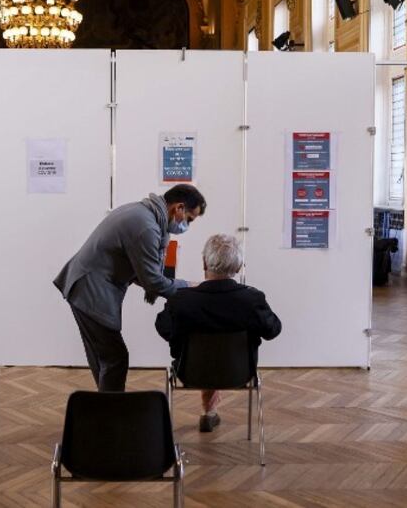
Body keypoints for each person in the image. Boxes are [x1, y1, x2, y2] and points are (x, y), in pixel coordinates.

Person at [53, 184, 206, 392]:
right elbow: (152, 280)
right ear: (178, 208)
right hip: (91, 290)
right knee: (115, 357)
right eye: (189, 219)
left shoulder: (142, 212)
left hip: (83, 285)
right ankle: (114, 416)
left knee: (103, 357)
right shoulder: (147, 227)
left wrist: (162, 282)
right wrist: (189, 286)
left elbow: (142, 273)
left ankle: (107, 411)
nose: (186, 225)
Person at [155, 234, 281, 432]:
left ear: (205, 263)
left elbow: (164, 329)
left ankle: (209, 412)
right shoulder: (252, 300)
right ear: (238, 267)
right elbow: (273, 330)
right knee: (218, 356)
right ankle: (210, 412)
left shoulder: (182, 300)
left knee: (207, 357)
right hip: (239, 373)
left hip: (190, 373)